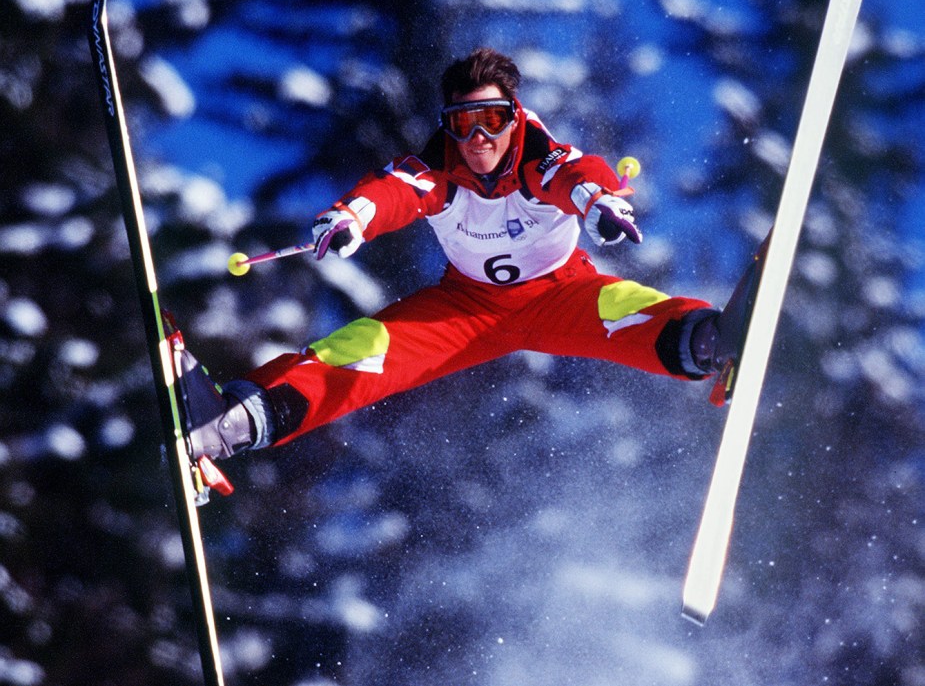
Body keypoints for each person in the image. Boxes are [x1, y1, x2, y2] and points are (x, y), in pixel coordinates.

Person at [182, 47, 756, 461]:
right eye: (464, 123)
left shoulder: (541, 158)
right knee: (362, 352)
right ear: (448, 127)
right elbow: (392, 193)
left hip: (560, 294)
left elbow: (578, 176)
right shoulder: (436, 172)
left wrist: (602, 203)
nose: (479, 138)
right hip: (465, 311)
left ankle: (708, 340)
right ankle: (232, 424)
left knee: (624, 309)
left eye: (493, 120)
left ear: (514, 116)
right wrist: (350, 218)